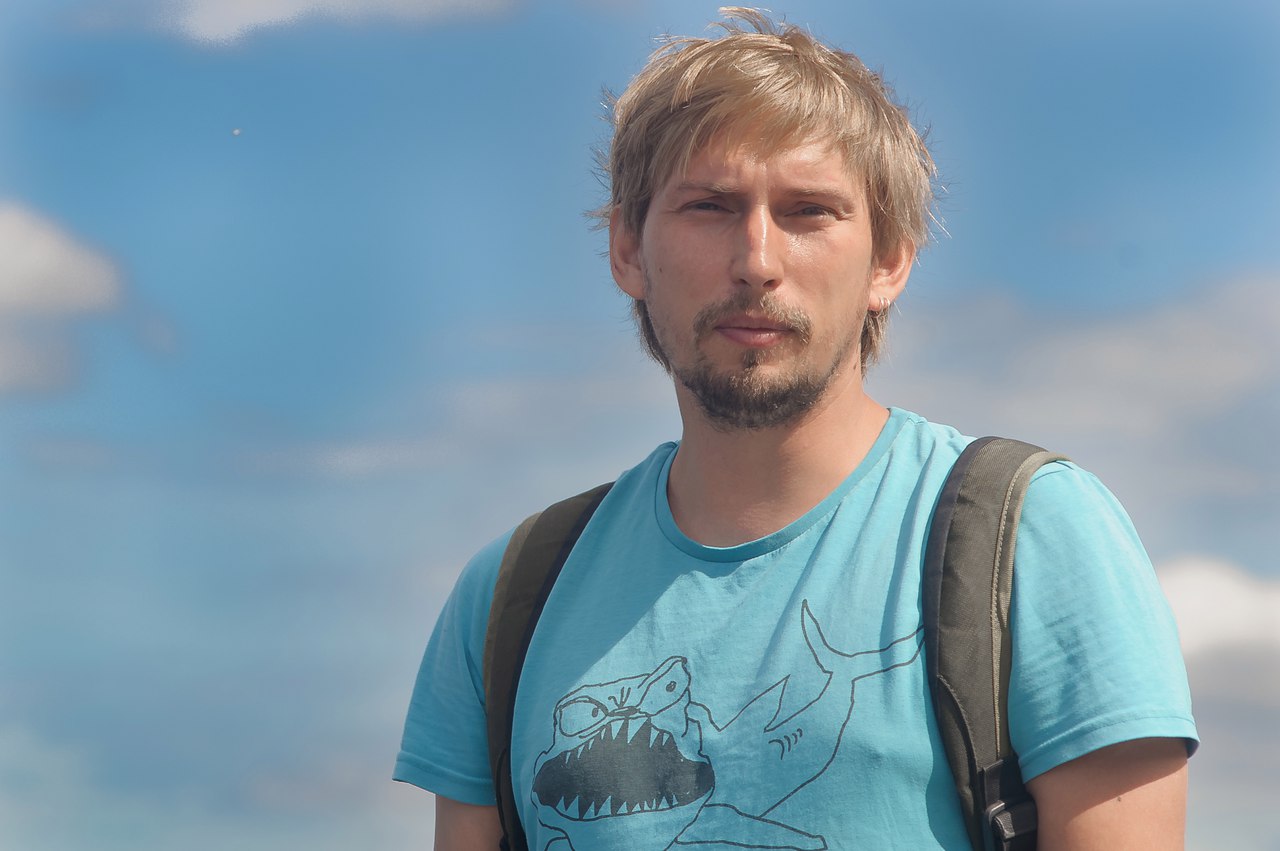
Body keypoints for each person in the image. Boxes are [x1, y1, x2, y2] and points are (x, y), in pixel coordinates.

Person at [394, 9, 1197, 850]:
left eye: (809, 211)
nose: (757, 261)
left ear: (889, 261)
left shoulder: (1037, 538)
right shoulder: (509, 600)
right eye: (710, 206)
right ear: (627, 249)